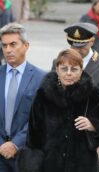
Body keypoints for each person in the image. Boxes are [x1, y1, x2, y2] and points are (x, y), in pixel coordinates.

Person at [17, 49, 99, 172]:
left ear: (81, 70)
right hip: (50, 165)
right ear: (57, 69)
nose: (69, 73)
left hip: (83, 165)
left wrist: (94, 125)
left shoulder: (92, 93)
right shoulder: (44, 94)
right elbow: (34, 136)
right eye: (64, 69)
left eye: (74, 69)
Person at [0, 23, 45, 172]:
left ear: (26, 46)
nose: (8, 50)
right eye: (4, 45)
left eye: (13, 44)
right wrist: (2, 145)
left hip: (28, 153)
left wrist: (15, 144)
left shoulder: (41, 78)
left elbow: (40, 118)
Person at [61, 22, 99, 109]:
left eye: (81, 46)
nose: (76, 51)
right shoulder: (59, 63)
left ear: (92, 41)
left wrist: (93, 122)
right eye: (73, 46)